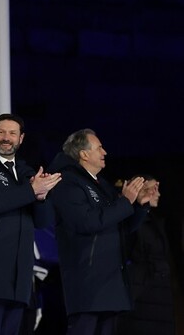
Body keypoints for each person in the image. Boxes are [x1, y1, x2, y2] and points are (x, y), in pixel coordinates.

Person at [48, 129, 155, 335]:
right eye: (99, 148)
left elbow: (120, 226)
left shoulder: (102, 185)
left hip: (110, 283)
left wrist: (138, 206)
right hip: (87, 284)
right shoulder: (67, 183)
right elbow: (86, 222)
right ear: (84, 154)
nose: (104, 152)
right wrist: (124, 203)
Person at [0, 113, 62, 335]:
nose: (6, 138)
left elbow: (43, 221)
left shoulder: (26, 173)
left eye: (12, 133)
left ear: (21, 138)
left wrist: (42, 197)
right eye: (2, 132)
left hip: (20, 277)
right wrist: (31, 191)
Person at [115, 175, 176, 335]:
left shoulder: (155, 221)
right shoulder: (131, 220)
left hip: (159, 295)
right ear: (139, 191)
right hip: (141, 295)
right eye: (152, 189)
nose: (157, 194)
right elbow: (127, 243)